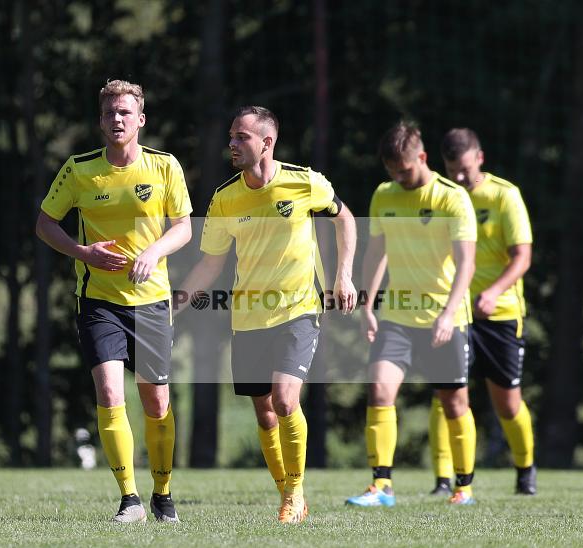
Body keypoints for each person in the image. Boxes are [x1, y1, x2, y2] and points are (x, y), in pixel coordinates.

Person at [177, 106, 356, 524]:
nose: (232, 145)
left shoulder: (303, 182)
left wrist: (343, 276)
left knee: (284, 398)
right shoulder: (225, 197)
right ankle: (288, 494)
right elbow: (210, 263)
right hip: (248, 317)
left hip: (299, 309)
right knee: (264, 411)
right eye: (231, 136)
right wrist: (176, 302)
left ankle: (293, 495)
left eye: (241, 137)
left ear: (267, 143)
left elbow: (344, 217)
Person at [35, 79, 192, 523]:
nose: (117, 119)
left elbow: (183, 226)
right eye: (109, 114)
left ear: (140, 119)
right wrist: (83, 253)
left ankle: (163, 494)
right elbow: (46, 224)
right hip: (98, 300)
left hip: (152, 301)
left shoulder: (164, 166)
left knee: (156, 403)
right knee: (108, 393)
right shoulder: (79, 169)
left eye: (125, 112)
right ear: (100, 121)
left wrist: (153, 251)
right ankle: (130, 500)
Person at [346, 122, 478, 508]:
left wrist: (448, 313)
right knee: (380, 390)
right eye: (392, 171)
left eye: (404, 170)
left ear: (421, 158)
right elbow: (376, 253)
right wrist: (367, 306)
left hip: (445, 317)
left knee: (454, 403)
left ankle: (463, 489)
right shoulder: (384, 195)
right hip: (397, 318)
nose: (398, 177)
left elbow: (466, 263)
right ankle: (381, 487)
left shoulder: (451, 197)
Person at [437, 127, 537, 495]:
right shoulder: (443, 198)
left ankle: (526, 469)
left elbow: (522, 257)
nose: (460, 177)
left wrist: (493, 292)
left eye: (465, 168)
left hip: (500, 313)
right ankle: (445, 479)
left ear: (480, 157)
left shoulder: (504, 196)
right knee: (447, 394)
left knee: (507, 404)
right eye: (452, 170)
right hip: (454, 312)